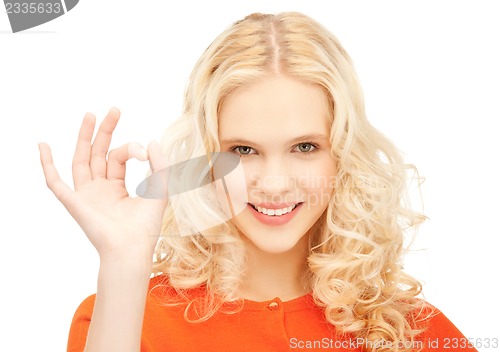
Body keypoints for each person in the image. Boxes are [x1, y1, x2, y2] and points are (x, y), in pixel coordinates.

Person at [39, 12, 478, 352]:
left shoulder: (408, 330)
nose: (274, 184)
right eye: (243, 151)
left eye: (305, 147)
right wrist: (124, 261)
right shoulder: (120, 314)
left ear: (342, 154)